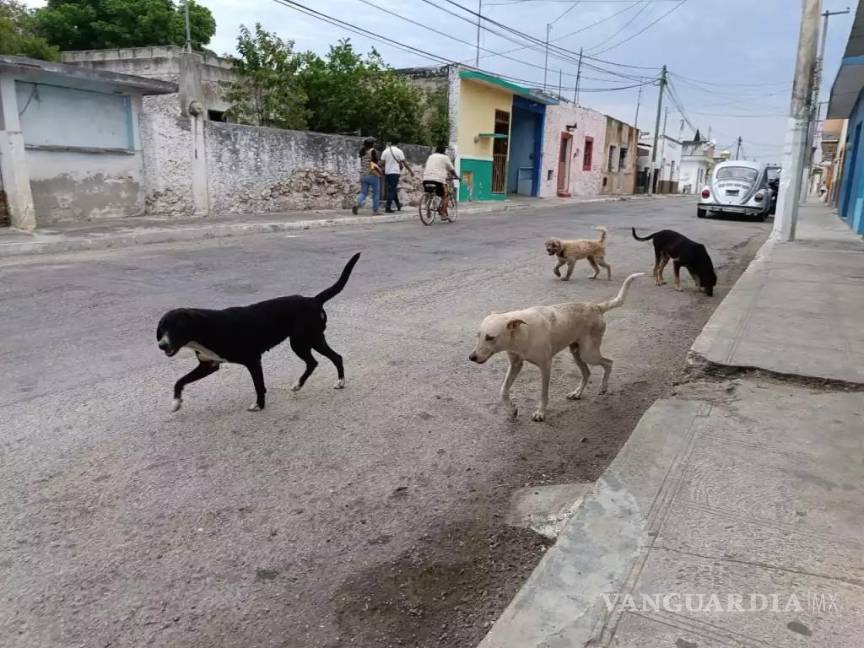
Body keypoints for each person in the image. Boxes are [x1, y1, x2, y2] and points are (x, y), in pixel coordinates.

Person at [422, 144, 457, 219]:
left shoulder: (431, 156)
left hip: (426, 179)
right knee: (445, 196)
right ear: (444, 151)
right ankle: (443, 214)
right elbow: (451, 169)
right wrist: (456, 176)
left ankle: (428, 210)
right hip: (438, 180)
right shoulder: (445, 157)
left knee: (430, 193)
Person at [380, 140, 414, 213]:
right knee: (392, 190)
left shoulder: (385, 151)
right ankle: (388, 207)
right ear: (398, 144)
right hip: (395, 173)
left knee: (392, 189)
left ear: (391, 143)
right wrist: (411, 171)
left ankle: (398, 205)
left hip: (387, 173)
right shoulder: (399, 151)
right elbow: (404, 163)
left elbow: (381, 163)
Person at [352, 137, 382, 215]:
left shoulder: (363, 152)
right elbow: (374, 164)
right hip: (372, 174)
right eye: (374, 143)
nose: (375, 144)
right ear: (372, 144)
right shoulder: (372, 151)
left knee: (363, 193)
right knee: (376, 193)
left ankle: (357, 203)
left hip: (363, 175)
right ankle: (375, 211)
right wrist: (380, 170)